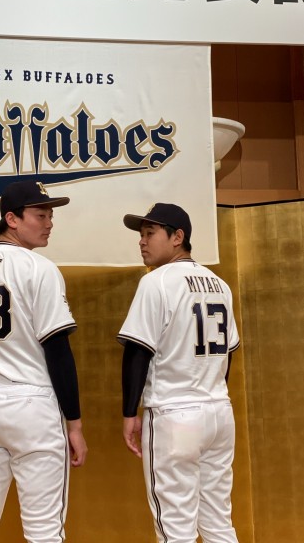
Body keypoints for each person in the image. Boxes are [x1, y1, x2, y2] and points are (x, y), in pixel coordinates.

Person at [0, 179, 87, 543]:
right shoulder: (38, 268)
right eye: (40, 214)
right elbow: (57, 349)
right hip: (31, 403)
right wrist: (75, 423)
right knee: (43, 531)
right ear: (12, 218)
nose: (49, 222)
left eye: (50, 214)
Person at [117, 202, 239, 543]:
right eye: (141, 235)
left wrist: (129, 413)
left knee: (175, 530)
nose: (142, 241)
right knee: (218, 523)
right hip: (218, 412)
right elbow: (228, 354)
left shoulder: (156, 282)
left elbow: (137, 351)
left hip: (174, 415)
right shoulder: (220, 284)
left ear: (178, 237)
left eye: (150, 233)